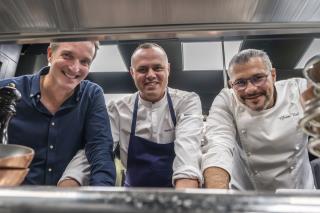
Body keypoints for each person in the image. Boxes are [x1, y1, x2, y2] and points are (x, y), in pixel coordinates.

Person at [60, 42, 203, 188]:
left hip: (176, 193)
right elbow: (95, 149)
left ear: (168, 69)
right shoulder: (117, 109)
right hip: (132, 197)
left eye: (157, 68)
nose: (151, 75)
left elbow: (188, 153)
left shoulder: (186, 101)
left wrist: (183, 201)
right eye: (142, 69)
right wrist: (70, 181)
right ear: (132, 73)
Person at [0, 41, 116, 186]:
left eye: (84, 61)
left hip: (64, 203)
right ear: (50, 54)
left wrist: (102, 197)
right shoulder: (6, 90)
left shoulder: (91, 95)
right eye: (67, 55)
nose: (75, 68)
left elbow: (100, 148)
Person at [202, 49, 315, 191]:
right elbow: (218, 147)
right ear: (232, 85)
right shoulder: (227, 100)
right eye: (240, 82)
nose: (250, 89)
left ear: (273, 75)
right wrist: (217, 200)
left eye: (258, 78)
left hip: (299, 196)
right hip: (248, 198)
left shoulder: (298, 89)